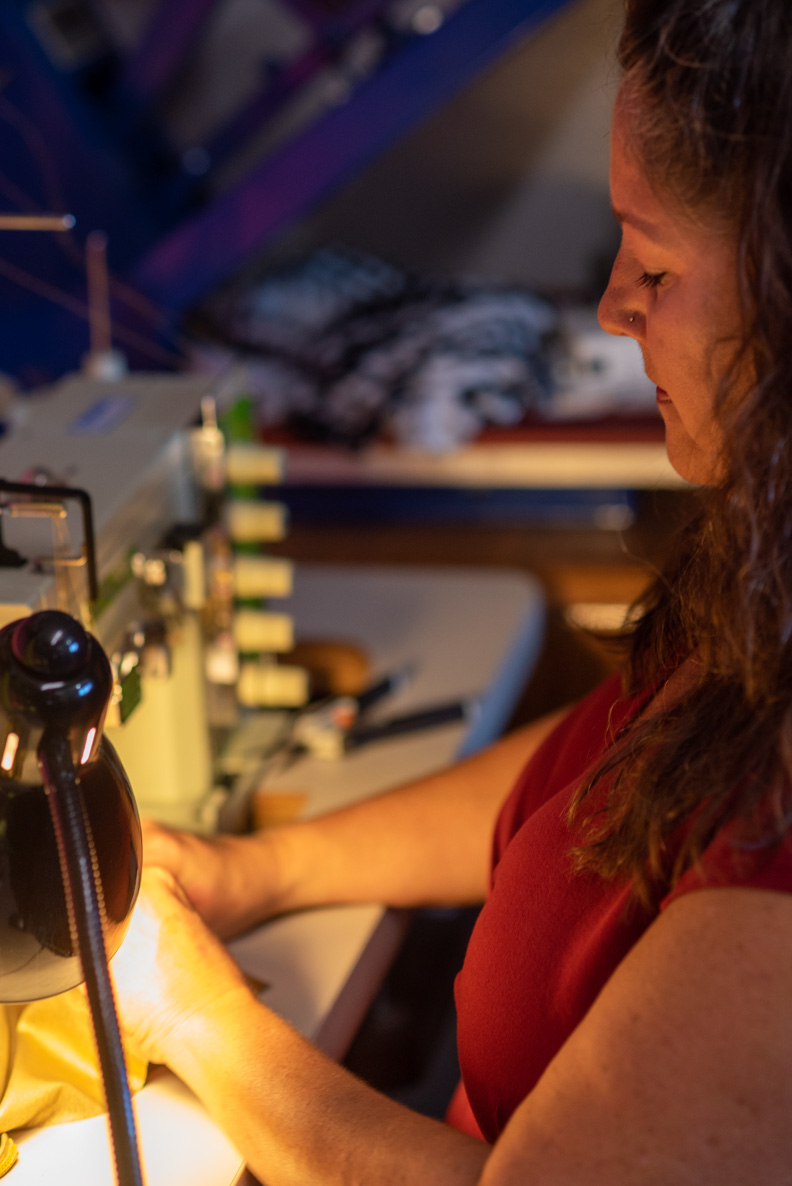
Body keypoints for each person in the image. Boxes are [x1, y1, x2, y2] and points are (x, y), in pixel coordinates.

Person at [110, 0, 792, 1180]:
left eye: (659, 261)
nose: (613, 304)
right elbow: (594, 775)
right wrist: (261, 872)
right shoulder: (760, 578)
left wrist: (191, 1015)